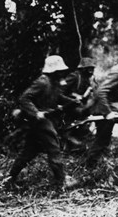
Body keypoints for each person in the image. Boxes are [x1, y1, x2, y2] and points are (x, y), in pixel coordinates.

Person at [5, 55, 78, 189]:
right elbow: (24, 98)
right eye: (60, 70)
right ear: (53, 70)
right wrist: (36, 112)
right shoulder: (43, 82)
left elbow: (57, 97)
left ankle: (10, 178)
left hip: (44, 120)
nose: (62, 72)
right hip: (40, 122)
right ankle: (61, 181)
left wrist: (71, 102)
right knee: (54, 148)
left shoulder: (54, 82)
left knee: (29, 151)